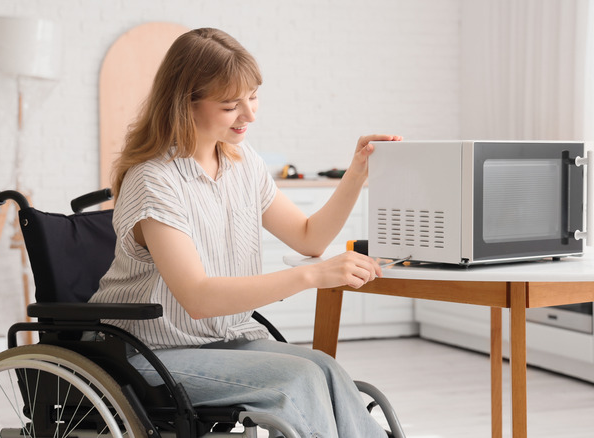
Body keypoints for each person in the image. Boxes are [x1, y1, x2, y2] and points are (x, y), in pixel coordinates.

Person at [89, 27, 402, 437]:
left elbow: (309, 237)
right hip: (147, 352)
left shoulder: (242, 162)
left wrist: (356, 172)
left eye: (253, 97)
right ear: (186, 103)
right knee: (299, 380)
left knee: (324, 367)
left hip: (222, 339)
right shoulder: (154, 181)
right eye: (230, 105)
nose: (250, 114)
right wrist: (312, 276)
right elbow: (198, 297)